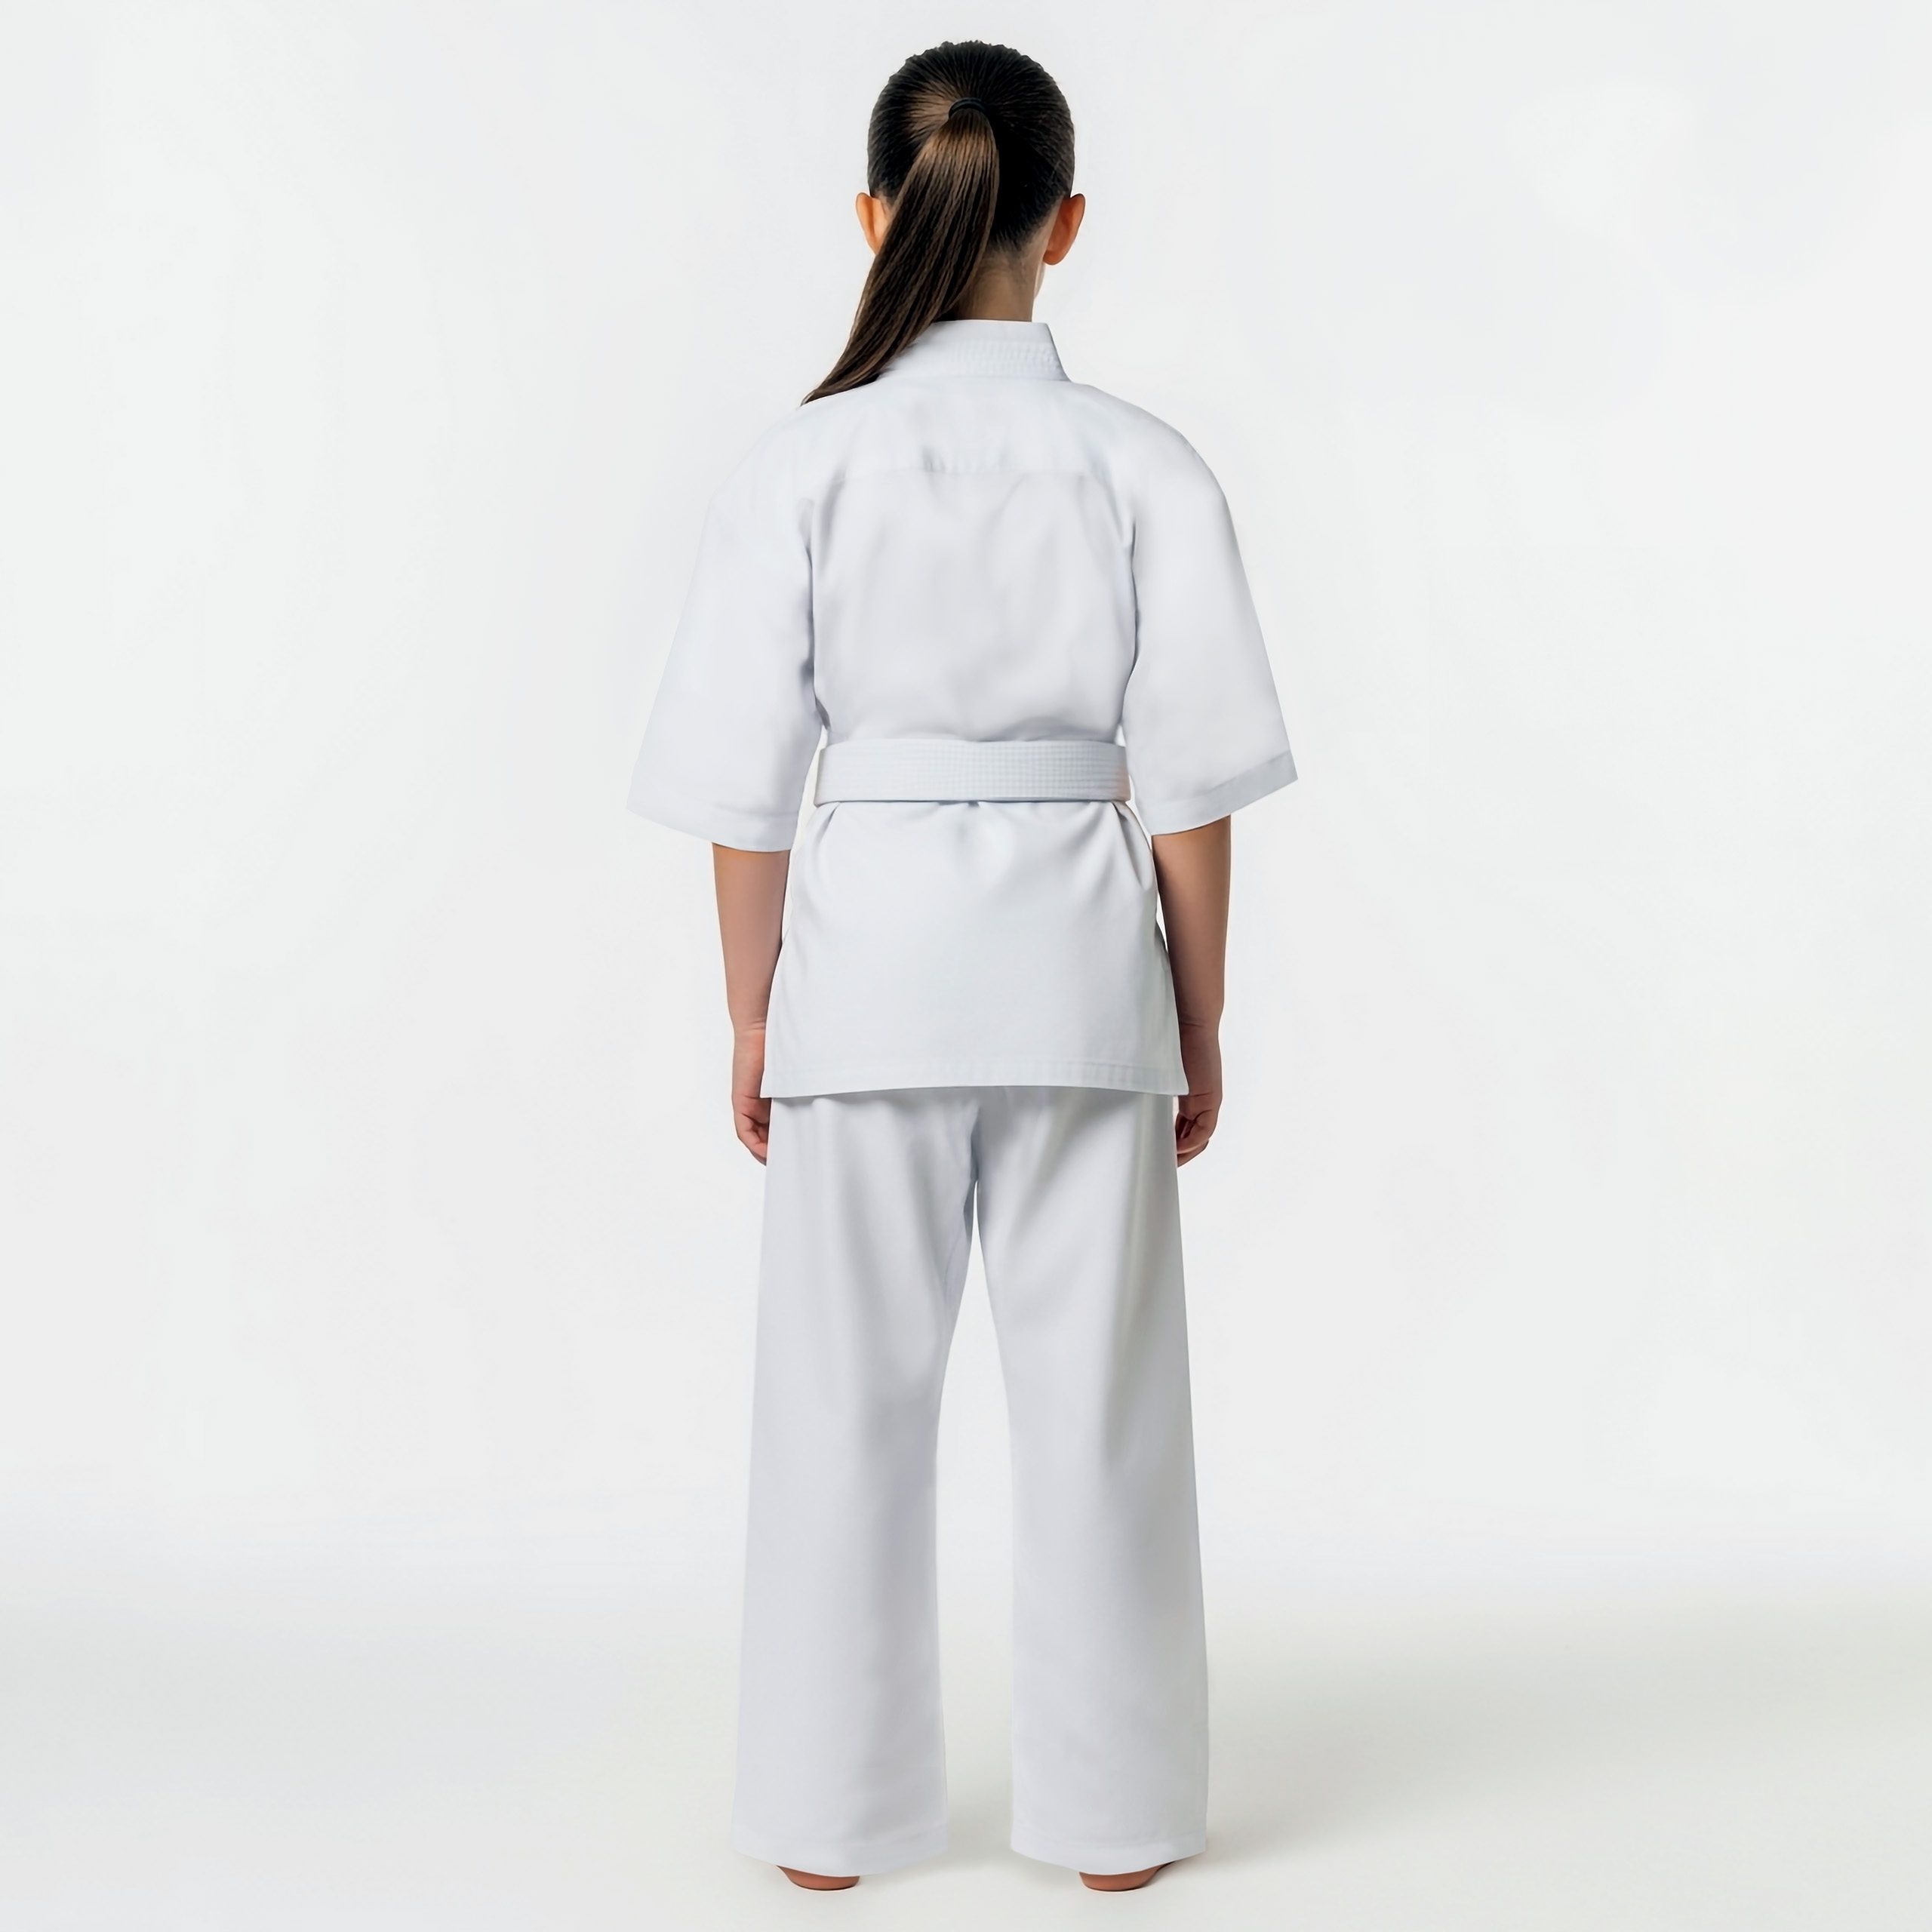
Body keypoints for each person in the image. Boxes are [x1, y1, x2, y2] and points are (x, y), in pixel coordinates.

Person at [628, 38, 1294, 1894]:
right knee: (1102, 1419)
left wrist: (752, 1011)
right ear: (1062, 225)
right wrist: (1196, 1011)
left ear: (873, 217)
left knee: (837, 1413)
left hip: (862, 981)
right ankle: (1118, 1822)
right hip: (1081, 972)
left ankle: (825, 1823)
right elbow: (1187, 790)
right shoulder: (1143, 466)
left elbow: (744, 796)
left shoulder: (799, 466)